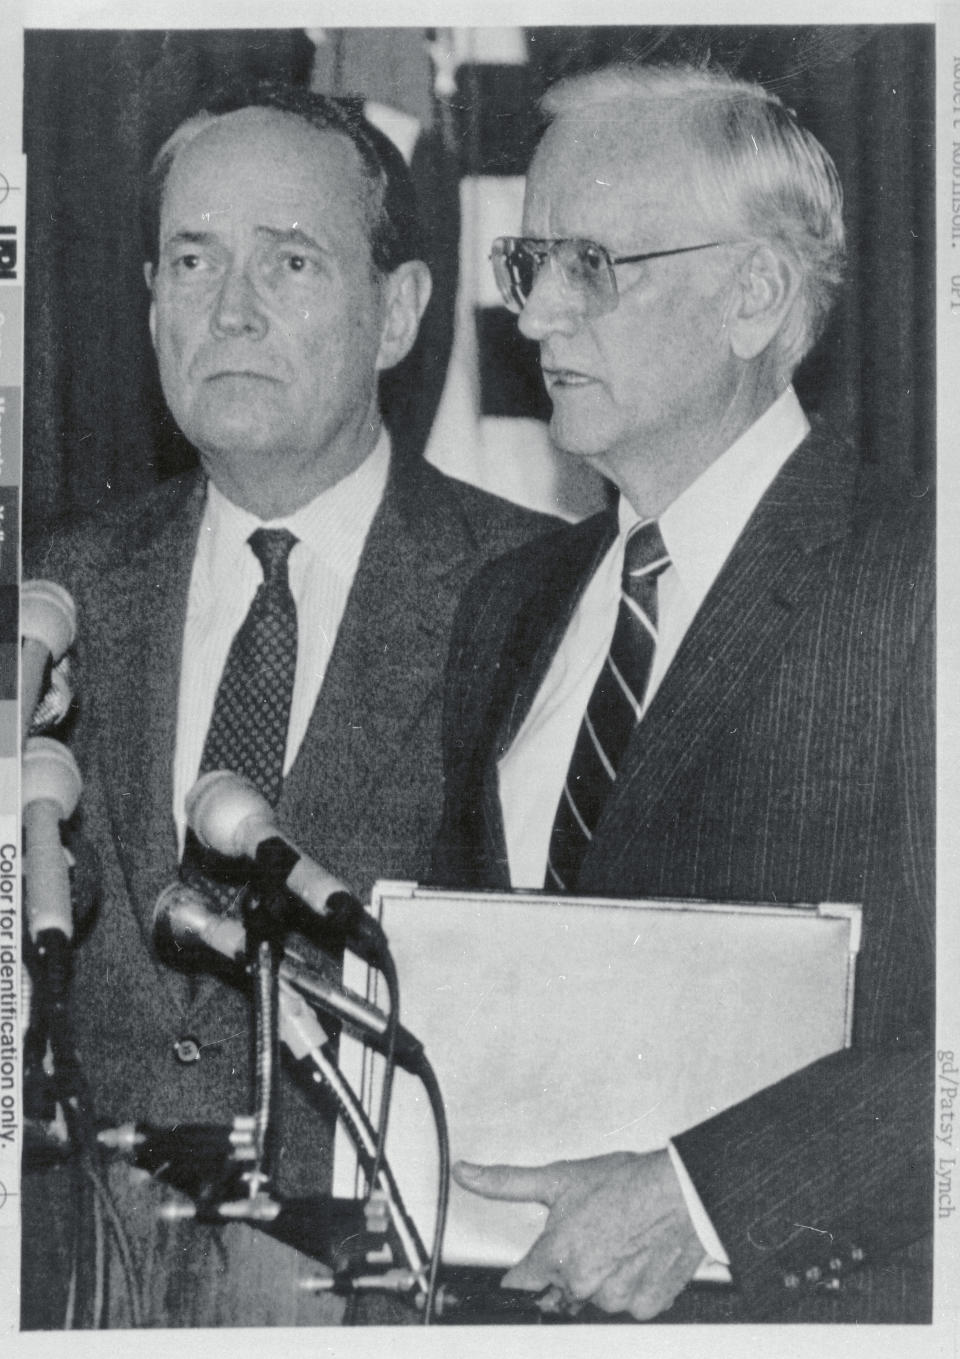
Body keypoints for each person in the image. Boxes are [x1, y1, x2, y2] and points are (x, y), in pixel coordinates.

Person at [22, 84, 553, 1328]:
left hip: (393, 1291)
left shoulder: (532, 592)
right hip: (73, 1282)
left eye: (292, 262)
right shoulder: (58, 589)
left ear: (400, 313)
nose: (230, 310)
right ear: (151, 300)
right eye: (193, 260)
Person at [433, 62, 934, 1325]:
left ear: (754, 294)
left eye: (590, 265)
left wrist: (704, 1198)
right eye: (529, 262)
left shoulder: (921, 577)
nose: (537, 316)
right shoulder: (509, 609)